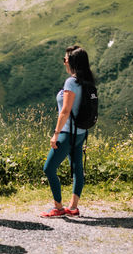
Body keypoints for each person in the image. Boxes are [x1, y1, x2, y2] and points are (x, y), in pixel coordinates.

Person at [40, 45, 95, 218]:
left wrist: (56, 134)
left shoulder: (71, 82)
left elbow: (65, 111)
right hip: (80, 133)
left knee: (49, 168)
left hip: (67, 133)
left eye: (65, 59)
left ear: (72, 61)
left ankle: (58, 207)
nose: (64, 62)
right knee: (77, 167)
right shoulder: (87, 81)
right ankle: (73, 207)